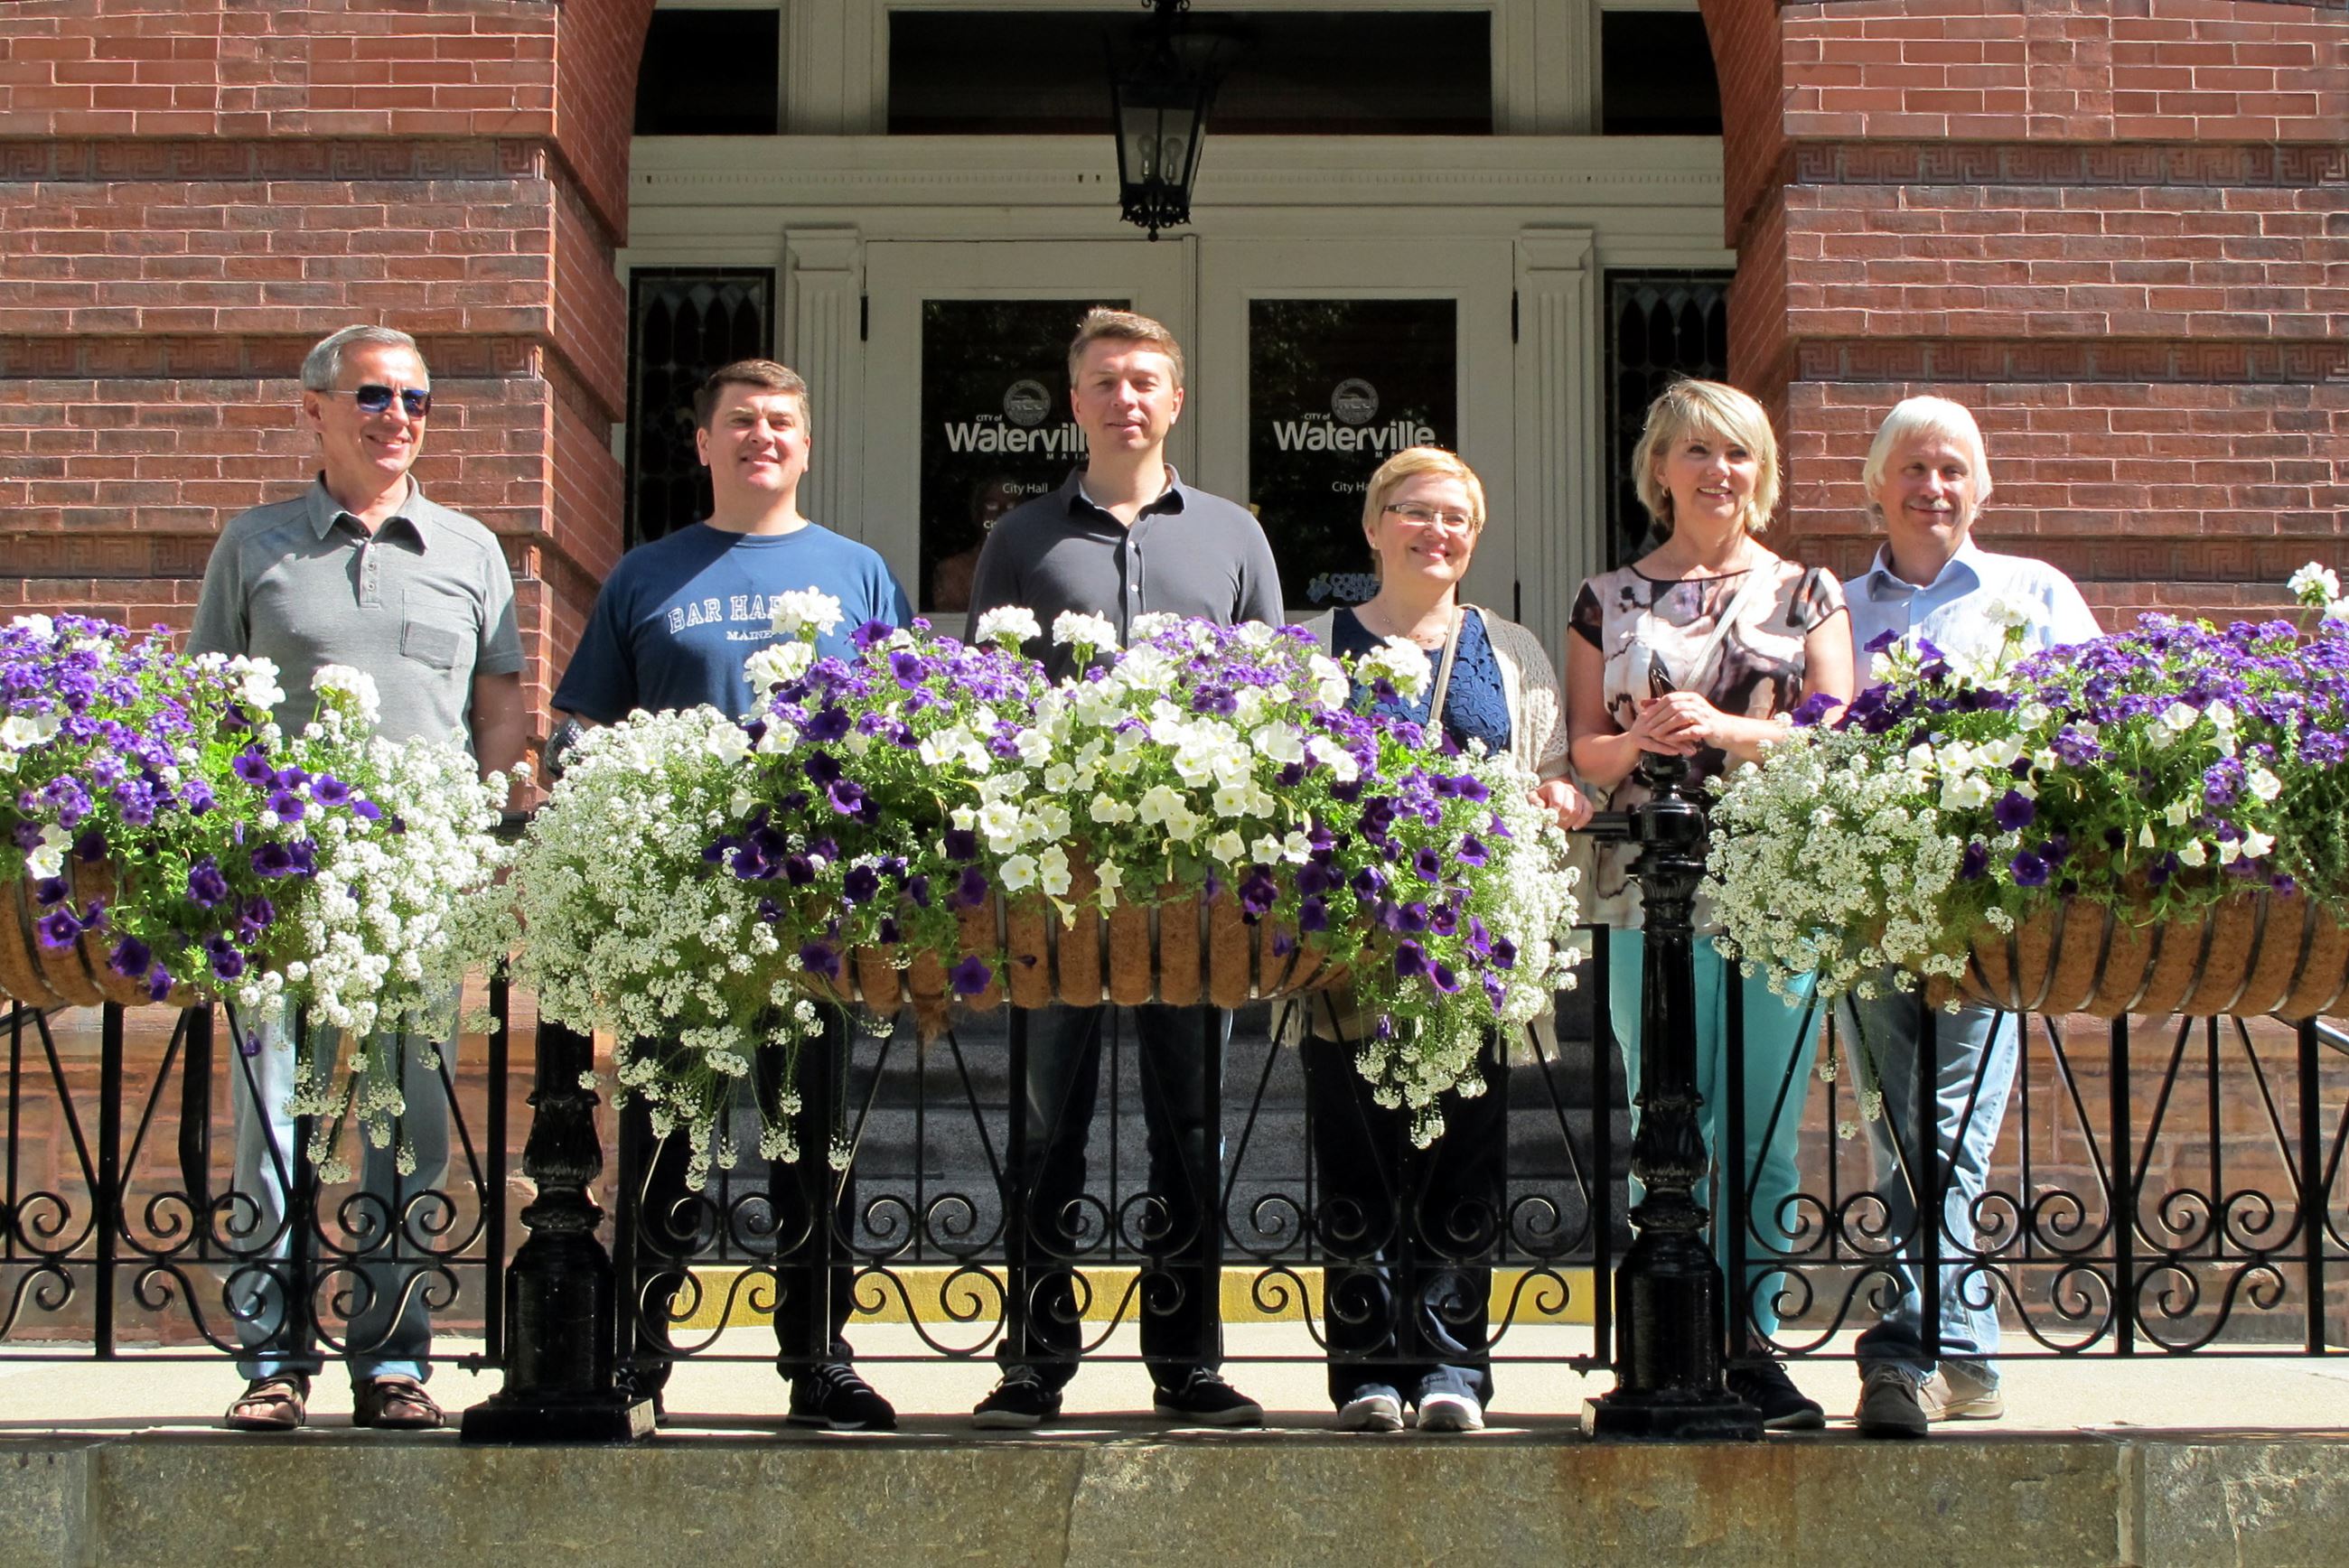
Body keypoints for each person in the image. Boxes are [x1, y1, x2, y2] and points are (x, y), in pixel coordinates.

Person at [549, 358, 912, 1431]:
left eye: (783, 422)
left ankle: (817, 1356)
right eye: (741, 421)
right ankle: (641, 1351)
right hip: (678, 906)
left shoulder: (857, 570)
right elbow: (584, 733)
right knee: (665, 1131)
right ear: (701, 443)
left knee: (808, 1141)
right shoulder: (645, 576)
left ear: (806, 443)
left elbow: (900, 725)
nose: (764, 436)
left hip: (811, 909)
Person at [192, 323, 527, 1433]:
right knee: (275, 1114)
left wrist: (484, 831)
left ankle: (392, 1357)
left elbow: (498, 710)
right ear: (317, 410)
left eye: (417, 400)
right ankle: (271, 1356)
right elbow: (211, 715)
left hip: (417, 891)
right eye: (375, 396)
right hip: (286, 884)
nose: (398, 418)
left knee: (407, 1122)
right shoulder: (255, 546)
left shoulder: (472, 550)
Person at [963, 307, 1282, 1428]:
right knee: (1045, 1118)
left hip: (1194, 889)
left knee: (1190, 1122)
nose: (1124, 398)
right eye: (1103, 381)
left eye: (1143, 379)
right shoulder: (1023, 540)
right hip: (1055, 885)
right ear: (1076, 400)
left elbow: (1273, 711)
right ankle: (1033, 1360)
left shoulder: (1233, 536)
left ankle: (1185, 1361)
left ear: (1175, 398)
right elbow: (986, 701)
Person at [1564, 378, 1853, 1430]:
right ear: (1658, 470)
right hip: (1648, 896)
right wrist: (1639, 742)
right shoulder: (1606, 596)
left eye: (1734, 453)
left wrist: (1730, 731)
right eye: (1694, 451)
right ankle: (1665, 1342)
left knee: (1762, 1123)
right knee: (1662, 1119)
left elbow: (1834, 728)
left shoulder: (1805, 591)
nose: (1715, 470)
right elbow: (1586, 749)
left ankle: (1751, 1342)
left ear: (1757, 470)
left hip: (1775, 883)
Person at [1296, 447, 1590, 1433]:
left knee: (1464, 1157)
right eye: (1415, 512)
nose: (1437, 532)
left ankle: (1453, 1367)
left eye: (1456, 517)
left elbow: (1552, 767)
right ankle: (1367, 1370)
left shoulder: (1506, 648)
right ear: (1374, 525)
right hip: (1350, 947)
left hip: (1473, 946)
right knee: (1355, 1155)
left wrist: (1559, 793)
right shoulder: (1314, 643)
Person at [1839, 395, 2101, 1438]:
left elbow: (2092, 723)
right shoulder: (1832, 607)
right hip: (1864, 902)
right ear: (1874, 486)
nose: (1931, 488)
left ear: (1980, 487)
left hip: (1988, 903)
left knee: (1951, 1121)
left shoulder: (2031, 590)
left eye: (1951, 469)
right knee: (1897, 1126)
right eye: (1910, 469)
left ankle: (1911, 1348)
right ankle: (1964, 1349)